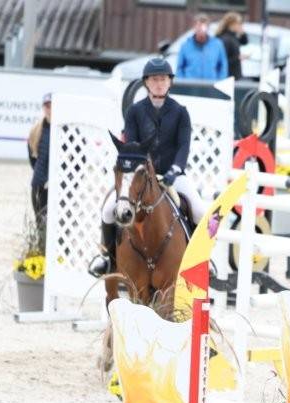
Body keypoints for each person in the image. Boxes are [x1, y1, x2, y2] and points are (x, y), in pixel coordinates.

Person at [89, 58, 208, 277]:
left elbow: (183, 146)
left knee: (201, 211)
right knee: (108, 209)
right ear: (146, 83)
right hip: (139, 175)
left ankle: (200, 260)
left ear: (170, 82)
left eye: (163, 79)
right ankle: (106, 257)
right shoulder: (135, 112)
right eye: (154, 80)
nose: (159, 84)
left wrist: (174, 170)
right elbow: (133, 146)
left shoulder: (180, 112)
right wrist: (142, 171)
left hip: (173, 174)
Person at [176, 14, 227, 82]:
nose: (201, 29)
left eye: (204, 26)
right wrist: (183, 83)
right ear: (194, 27)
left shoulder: (217, 45)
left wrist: (219, 82)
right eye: (198, 26)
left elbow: (223, 66)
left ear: (208, 28)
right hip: (190, 85)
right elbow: (180, 68)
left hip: (210, 85)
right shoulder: (185, 45)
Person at [29, 92, 52, 218]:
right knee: (39, 221)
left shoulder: (66, 130)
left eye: (52, 106)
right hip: (38, 182)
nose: (50, 109)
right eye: (47, 106)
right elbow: (32, 158)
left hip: (57, 185)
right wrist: (41, 175)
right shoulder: (36, 130)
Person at [216, 11, 248, 81]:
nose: (240, 26)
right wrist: (237, 58)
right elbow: (223, 61)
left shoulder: (233, 37)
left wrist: (242, 32)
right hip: (228, 77)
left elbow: (245, 42)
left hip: (235, 76)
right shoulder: (225, 39)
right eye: (239, 23)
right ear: (232, 24)